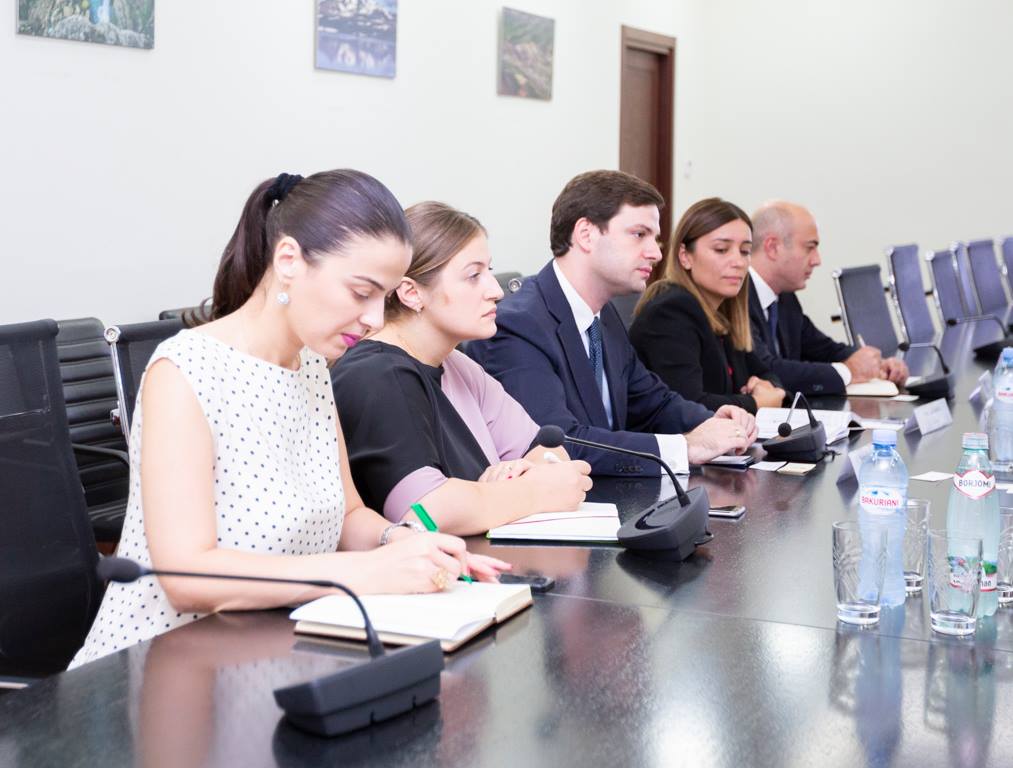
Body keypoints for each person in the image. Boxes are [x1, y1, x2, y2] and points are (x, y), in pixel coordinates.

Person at [70, 170, 509, 668]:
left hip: (273, 647)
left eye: (382, 297)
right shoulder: (185, 371)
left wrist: (407, 543)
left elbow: (349, 517)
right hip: (168, 663)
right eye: (361, 292)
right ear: (288, 261)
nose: (374, 319)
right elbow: (186, 576)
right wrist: (366, 572)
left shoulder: (313, 368)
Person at [467, 170, 757, 478]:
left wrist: (711, 421)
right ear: (586, 235)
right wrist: (684, 447)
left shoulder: (603, 316)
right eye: (639, 234)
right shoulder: (519, 325)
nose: (656, 253)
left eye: (655, 239)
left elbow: (652, 402)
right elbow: (555, 445)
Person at [331, 201, 593, 536]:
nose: (496, 291)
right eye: (473, 276)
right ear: (411, 293)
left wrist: (518, 473)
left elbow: (548, 451)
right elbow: (424, 513)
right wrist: (531, 491)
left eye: (489, 271)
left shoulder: (457, 364)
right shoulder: (375, 375)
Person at [629, 198, 785, 414]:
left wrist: (767, 387)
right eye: (721, 249)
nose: (738, 262)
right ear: (685, 256)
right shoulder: (671, 311)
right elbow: (689, 405)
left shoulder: (723, 311)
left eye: (745, 251)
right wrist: (756, 403)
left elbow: (767, 373)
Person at [748, 201, 909, 395]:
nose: (817, 260)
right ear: (773, 247)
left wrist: (874, 364)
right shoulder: (737, 299)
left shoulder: (785, 298)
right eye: (809, 248)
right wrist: (849, 370)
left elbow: (823, 349)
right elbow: (766, 370)